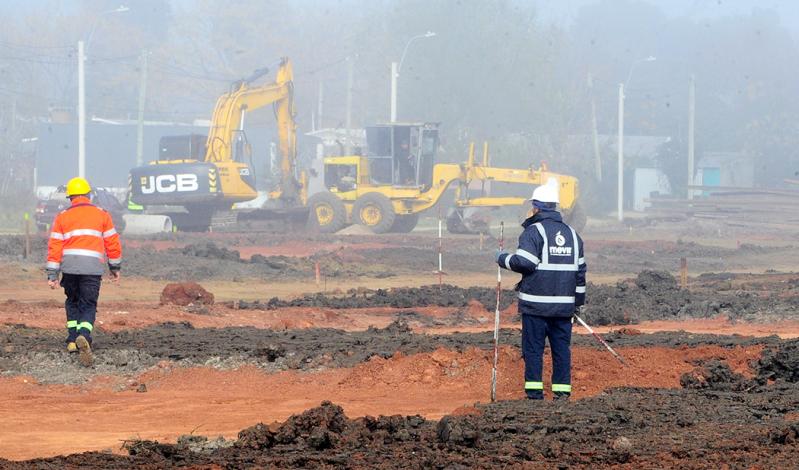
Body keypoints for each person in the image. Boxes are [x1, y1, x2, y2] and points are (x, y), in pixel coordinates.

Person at [495, 177, 586, 400]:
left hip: (536, 306)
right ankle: (562, 394)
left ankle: (535, 394)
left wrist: (502, 258)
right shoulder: (574, 236)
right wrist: (577, 304)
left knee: (534, 350)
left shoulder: (534, 232)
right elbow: (580, 274)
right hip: (564, 309)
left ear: (536, 207)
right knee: (561, 351)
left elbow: (524, 263)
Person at [46, 177, 122, 367]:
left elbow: (55, 246)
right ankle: (84, 335)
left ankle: (72, 340)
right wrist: (114, 268)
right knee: (88, 304)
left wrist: (52, 275)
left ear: (70, 197)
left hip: (69, 269)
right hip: (92, 269)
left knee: (72, 301)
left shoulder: (62, 216)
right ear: (89, 195)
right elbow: (112, 243)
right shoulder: (102, 214)